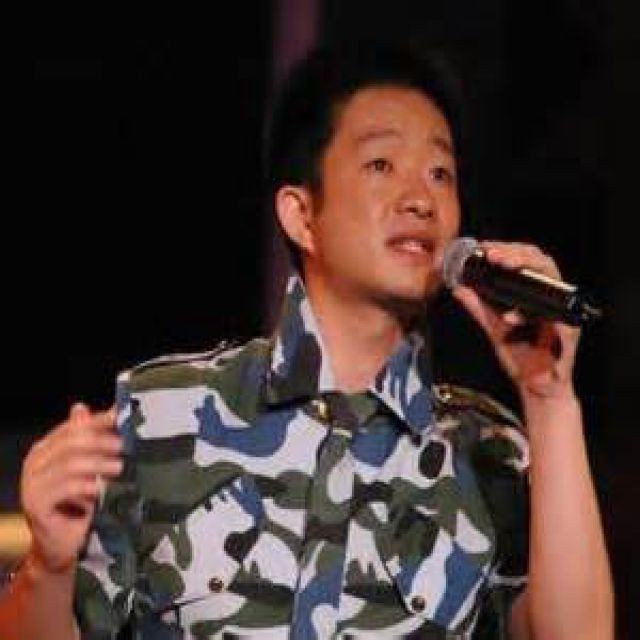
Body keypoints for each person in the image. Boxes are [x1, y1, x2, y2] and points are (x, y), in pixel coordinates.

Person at [0, 42, 613, 639]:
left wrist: (550, 400)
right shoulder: (163, 413)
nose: (421, 199)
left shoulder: (488, 452)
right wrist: (47, 569)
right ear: (301, 214)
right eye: (381, 165)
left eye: (440, 173)